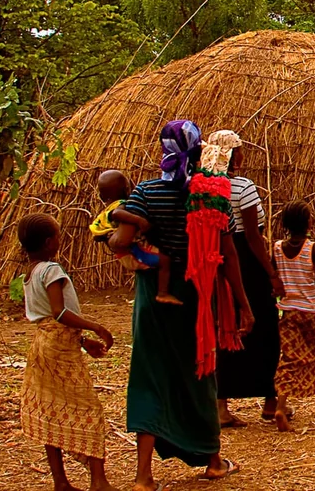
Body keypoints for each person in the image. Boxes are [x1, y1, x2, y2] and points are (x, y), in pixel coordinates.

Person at [109, 120, 252, 490]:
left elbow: (121, 241)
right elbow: (228, 253)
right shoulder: (209, 197)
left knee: (149, 376)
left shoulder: (145, 192)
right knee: (200, 374)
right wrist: (242, 303)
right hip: (195, 298)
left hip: (153, 304)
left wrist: (141, 247)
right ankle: (214, 461)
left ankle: (143, 476)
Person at [18, 213, 117, 491]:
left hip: (43, 344)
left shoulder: (30, 273)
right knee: (89, 410)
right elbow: (60, 312)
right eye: (59, 237)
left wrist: (83, 341)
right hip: (58, 348)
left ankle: (60, 481)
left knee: (51, 409)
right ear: (50, 242)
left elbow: (49, 319)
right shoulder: (51, 270)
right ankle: (99, 481)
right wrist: (95, 327)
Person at [207, 131, 285, 429]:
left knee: (223, 326)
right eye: (239, 150)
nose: (242, 154)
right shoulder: (243, 187)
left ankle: (220, 406)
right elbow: (253, 237)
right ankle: (269, 400)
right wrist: (271, 272)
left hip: (215, 262)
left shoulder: (203, 186)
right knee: (264, 329)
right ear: (233, 154)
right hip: (244, 261)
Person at [271, 200, 315, 432]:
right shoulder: (314, 249)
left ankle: (281, 407)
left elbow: (275, 276)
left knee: (288, 359)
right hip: (312, 312)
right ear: (307, 223)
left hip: (289, 311)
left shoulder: (277, 248)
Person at [89, 169, 180, 305]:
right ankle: (163, 293)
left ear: (101, 197)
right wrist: (139, 221)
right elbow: (117, 214)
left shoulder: (103, 214)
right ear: (127, 189)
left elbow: (97, 235)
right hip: (134, 252)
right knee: (165, 260)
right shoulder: (122, 205)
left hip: (125, 253)